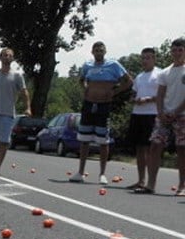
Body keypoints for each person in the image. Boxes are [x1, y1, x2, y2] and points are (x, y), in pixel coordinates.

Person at [70, 41, 132, 184]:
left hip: (104, 105)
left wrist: (114, 92)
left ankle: (102, 174)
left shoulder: (113, 65)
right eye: (96, 50)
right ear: (92, 52)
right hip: (89, 104)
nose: (98, 52)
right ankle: (80, 172)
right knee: (84, 139)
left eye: (101, 50)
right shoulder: (88, 65)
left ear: (105, 51)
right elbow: (81, 79)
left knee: (103, 141)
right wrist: (85, 87)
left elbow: (128, 81)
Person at [135, 38, 185, 195]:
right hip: (164, 115)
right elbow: (160, 94)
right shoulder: (165, 72)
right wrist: (161, 113)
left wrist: (176, 112)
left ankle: (182, 186)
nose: (176, 53)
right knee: (155, 146)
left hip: (182, 114)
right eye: (174, 50)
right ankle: (150, 184)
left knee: (182, 149)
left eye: (180, 50)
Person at [0, 48, 31, 176]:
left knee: (4, 141)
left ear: (12, 59)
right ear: (0, 58)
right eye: (4, 55)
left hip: (7, 113)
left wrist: (28, 107)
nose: (7, 57)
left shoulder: (16, 76)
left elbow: (24, 92)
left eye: (9, 56)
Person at [126, 48, 161, 190]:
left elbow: (162, 95)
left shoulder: (159, 74)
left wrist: (148, 99)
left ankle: (150, 182)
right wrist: (135, 100)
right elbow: (132, 95)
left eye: (148, 58)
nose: (145, 61)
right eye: (143, 58)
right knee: (140, 148)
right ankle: (141, 180)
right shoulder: (139, 77)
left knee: (150, 149)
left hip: (152, 114)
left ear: (154, 59)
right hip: (137, 114)